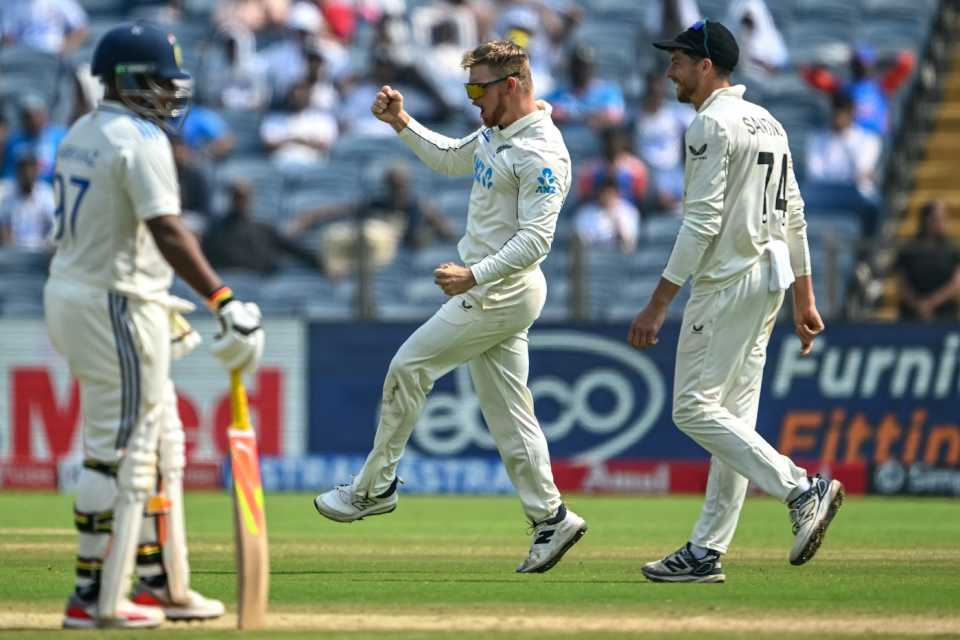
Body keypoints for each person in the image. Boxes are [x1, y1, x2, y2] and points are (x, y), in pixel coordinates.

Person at [313, 40, 587, 574]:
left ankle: (375, 487)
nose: (470, 98)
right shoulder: (496, 131)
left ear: (511, 85)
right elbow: (449, 159)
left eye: (477, 88)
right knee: (510, 415)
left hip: (500, 290)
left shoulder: (541, 152)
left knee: (408, 367)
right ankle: (551, 517)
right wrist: (402, 122)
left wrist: (473, 274)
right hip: (492, 289)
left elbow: (537, 240)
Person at [44, 22, 264, 628]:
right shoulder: (139, 140)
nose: (171, 94)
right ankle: (97, 600)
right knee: (125, 452)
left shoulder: (81, 132)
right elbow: (168, 228)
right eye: (162, 81)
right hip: (117, 302)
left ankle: (160, 584)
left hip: (86, 293)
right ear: (130, 81)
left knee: (164, 442)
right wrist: (223, 299)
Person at [628, 20, 843, 583]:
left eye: (677, 59)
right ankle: (707, 550)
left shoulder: (709, 125)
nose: (668, 68)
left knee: (692, 409)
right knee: (733, 419)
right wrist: (804, 296)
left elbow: (701, 221)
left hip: (728, 280)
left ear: (705, 66)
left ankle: (801, 487)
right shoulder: (768, 122)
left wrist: (657, 304)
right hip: (769, 280)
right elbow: (794, 212)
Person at [202, 178, 324, 274]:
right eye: (237, 196)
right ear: (231, 198)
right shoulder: (216, 230)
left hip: (260, 282)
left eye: (243, 197)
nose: (240, 201)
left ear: (250, 199)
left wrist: (324, 263)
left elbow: (296, 250)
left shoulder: (264, 230)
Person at [802, 44, 915, 136]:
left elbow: (907, 61)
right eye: (857, 64)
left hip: (878, 141)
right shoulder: (842, 89)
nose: (861, 68)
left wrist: (885, 60)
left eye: (864, 64)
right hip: (853, 143)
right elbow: (810, 75)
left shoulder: (881, 87)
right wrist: (825, 62)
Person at [634, 71, 693, 211]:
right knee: (662, 195)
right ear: (646, 91)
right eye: (652, 90)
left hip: (674, 169)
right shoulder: (635, 116)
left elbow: (704, 123)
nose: (655, 94)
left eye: (658, 90)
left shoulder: (676, 113)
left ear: (663, 91)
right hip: (648, 172)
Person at [894, 199, 960, 322]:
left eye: (944, 218)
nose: (942, 222)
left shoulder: (952, 249)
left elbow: (956, 283)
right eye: (937, 218)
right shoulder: (909, 249)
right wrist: (918, 305)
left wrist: (931, 303)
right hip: (911, 314)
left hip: (945, 314)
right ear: (925, 220)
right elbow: (902, 283)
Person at [545, 45, 624, 129]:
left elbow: (613, 117)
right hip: (565, 139)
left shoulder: (608, 91)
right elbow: (545, 114)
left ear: (593, 68)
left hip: (597, 139)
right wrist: (592, 115)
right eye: (578, 66)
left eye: (586, 67)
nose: (582, 71)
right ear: (570, 68)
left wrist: (569, 116)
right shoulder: (558, 93)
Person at [2, 94, 68, 183]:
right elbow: (8, 174)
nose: (33, 120)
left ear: (45, 115)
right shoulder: (15, 141)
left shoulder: (60, 137)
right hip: (22, 191)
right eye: (28, 116)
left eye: (36, 115)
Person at [0, 150, 56, 249]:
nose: (27, 173)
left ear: (37, 171)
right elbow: (5, 228)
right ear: (18, 171)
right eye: (24, 169)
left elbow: (54, 227)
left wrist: (45, 245)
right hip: (15, 252)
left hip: (41, 252)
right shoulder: (8, 196)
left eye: (31, 169)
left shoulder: (46, 194)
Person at [574, 176, 640, 254]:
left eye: (610, 194)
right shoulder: (585, 213)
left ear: (617, 194)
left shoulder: (628, 212)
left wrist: (618, 225)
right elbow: (581, 241)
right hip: (593, 257)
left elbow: (629, 245)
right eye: (604, 193)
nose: (607, 197)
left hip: (619, 257)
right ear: (599, 193)